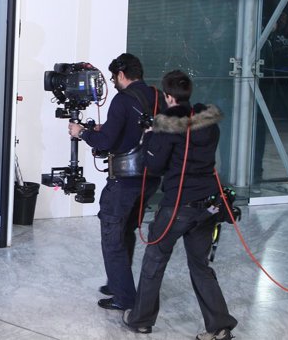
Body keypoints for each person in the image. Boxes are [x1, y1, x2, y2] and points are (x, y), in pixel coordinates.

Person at [122, 70, 238, 340]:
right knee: (200, 265)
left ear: (168, 96)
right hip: (208, 204)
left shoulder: (167, 126)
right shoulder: (208, 123)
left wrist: (150, 136)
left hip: (178, 206)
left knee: (154, 260)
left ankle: (140, 320)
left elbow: (154, 164)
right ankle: (220, 327)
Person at [68, 53, 161, 311]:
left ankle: (124, 297)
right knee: (126, 230)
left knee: (112, 237)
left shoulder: (122, 100)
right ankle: (117, 283)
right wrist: (104, 128)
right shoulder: (156, 96)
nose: (113, 82)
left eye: (113, 77)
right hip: (150, 180)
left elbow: (106, 142)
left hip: (125, 181)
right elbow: (132, 131)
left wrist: (82, 132)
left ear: (121, 75)